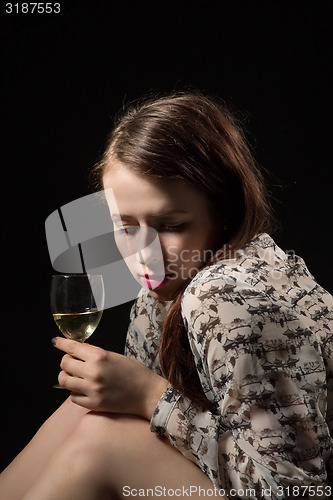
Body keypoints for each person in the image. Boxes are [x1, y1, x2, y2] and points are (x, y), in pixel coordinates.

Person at [0, 91, 332, 499]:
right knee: (91, 409)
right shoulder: (164, 289)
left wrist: (150, 396)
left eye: (171, 226)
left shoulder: (225, 298)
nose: (145, 255)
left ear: (222, 212)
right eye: (125, 227)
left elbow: (297, 491)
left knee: (102, 440)